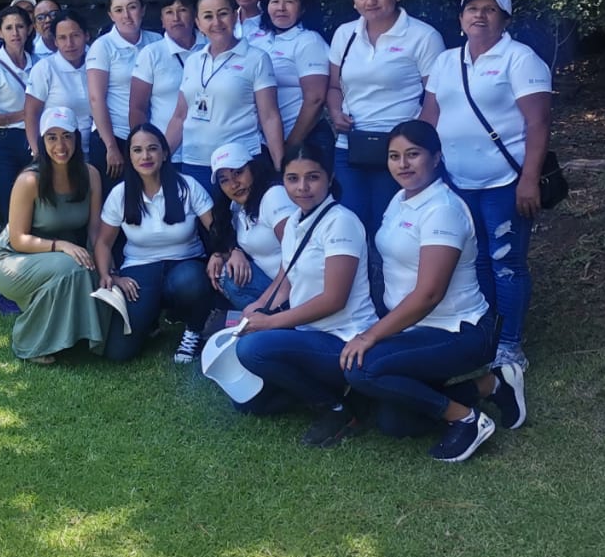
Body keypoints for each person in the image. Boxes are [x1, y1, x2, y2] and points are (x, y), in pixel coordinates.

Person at [339, 121, 526, 463]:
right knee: (397, 422)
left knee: (363, 369)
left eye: (413, 154)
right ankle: (491, 384)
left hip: (459, 330)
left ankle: (466, 420)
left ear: (436, 157)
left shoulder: (443, 209)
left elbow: (429, 294)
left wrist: (371, 335)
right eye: (394, 156)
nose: (403, 164)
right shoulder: (400, 199)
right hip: (413, 330)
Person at [420, 0, 552, 372]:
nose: (479, 15)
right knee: (475, 260)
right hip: (457, 182)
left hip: (504, 182)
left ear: (505, 19)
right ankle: (485, 335)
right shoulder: (446, 61)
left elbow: (539, 124)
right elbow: (430, 117)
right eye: (472, 8)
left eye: (490, 9)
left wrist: (529, 179)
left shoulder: (520, 59)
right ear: (461, 18)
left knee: (507, 263)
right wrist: (423, 169)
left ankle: (510, 344)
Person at [220, 142, 376, 446]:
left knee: (252, 350)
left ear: (330, 177)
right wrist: (258, 307)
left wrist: (270, 323)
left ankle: (335, 408)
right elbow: (286, 277)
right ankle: (337, 391)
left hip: (344, 338)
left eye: (312, 177)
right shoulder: (295, 220)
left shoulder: (341, 222)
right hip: (309, 333)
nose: (302, 187)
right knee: (251, 403)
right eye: (292, 179)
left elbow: (334, 299)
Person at [326, 0, 444, 296]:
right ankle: (354, 302)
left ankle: (395, 303)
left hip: (399, 154)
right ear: (353, 1)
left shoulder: (423, 36)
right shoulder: (345, 34)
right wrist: (335, 112)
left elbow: (435, 96)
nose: (370, 1)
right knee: (348, 228)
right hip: (350, 147)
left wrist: (418, 144)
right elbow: (333, 87)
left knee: (391, 231)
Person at [0, 106, 106, 364]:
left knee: (88, 269)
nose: (60, 145)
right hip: (13, 258)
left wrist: (105, 268)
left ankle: (78, 338)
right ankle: (30, 343)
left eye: (67, 136)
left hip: (60, 256)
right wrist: (61, 245)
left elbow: (95, 230)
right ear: (42, 141)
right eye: (52, 137)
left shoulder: (91, 175)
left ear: (77, 138)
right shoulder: (29, 180)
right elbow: (19, 239)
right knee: (73, 267)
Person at [94, 122, 216, 362]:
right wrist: (110, 275)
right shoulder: (120, 194)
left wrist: (222, 253)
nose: (145, 156)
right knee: (119, 353)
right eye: (137, 150)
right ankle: (150, 321)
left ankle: (193, 331)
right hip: (140, 268)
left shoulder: (187, 186)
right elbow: (103, 243)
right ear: (129, 156)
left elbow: (215, 228)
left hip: (185, 264)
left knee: (189, 281)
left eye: (152, 148)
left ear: (165, 153)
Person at [165, 0, 285, 193]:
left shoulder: (256, 58)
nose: (216, 22)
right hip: (195, 162)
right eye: (208, 16)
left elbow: (269, 116)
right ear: (198, 23)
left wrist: (280, 167)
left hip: (239, 164)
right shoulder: (193, 61)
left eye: (222, 13)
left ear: (234, 16)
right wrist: (162, 158)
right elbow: (179, 116)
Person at [86, 0, 161, 192]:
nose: (126, 15)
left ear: (143, 10)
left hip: (151, 137)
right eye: (118, 10)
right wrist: (111, 147)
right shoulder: (103, 46)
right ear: (111, 15)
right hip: (115, 137)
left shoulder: (157, 41)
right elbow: (96, 98)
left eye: (132, 7)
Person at [205, 142, 296, 310]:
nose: (234, 184)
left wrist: (267, 304)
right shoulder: (235, 206)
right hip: (270, 282)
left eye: (238, 173)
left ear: (253, 169)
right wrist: (231, 252)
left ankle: (275, 318)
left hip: (295, 285)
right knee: (224, 272)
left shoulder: (273, 196)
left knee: (230, 279)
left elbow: (297, 254)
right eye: (224, 180)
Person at [251, 0, 331, 162]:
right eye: (275, 1)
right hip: (266, 143)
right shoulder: (257, 41)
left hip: (304, 140)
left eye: (289, 1)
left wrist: (292, 144)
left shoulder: (309, 41)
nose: (281, 8)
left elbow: (315, 99)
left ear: (302, 8)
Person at [128, 0, 203, 164]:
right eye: (169, 12)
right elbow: (137, 108)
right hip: (167, 153)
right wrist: (145, 150)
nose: (176, 18)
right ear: (162, 20)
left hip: (208, 151)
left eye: (182, 10)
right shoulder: (151, 54)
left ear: (194, 15)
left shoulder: (210, 47)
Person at [0, 5, 36, 221]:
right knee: (11, 203)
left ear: (29, 29)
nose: (15, 33)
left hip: (32, 139)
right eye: (9, 28)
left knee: (35, 200)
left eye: (20, 26)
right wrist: (21, 115)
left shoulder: (37, 63)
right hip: (3, 141)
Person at [25, 9, 92, 158]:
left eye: (75, 36)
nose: (69, 44)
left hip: (97, 150)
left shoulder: (96, 65)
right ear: (55, 41)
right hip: (58, 153)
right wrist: (37, 153)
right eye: (62, 38)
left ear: (86, 35)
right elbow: (31, 114)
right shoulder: (44, 69)